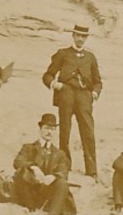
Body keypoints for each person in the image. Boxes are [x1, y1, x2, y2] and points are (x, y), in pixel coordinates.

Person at [42, 24, 102, 179]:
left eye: (84, 36)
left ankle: (91, 169)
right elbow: (47, 75)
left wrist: (94, 93)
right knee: (65, 132)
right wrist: (56, 84)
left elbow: (97, 81)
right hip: (66, 94)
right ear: (73, 36)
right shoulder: (62, 54)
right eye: (78, 35)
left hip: (84, 97)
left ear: (86, 38)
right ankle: (65, 166)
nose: (80, 39)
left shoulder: (91, 57)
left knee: (88, 131)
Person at [12, 113, 76, 215]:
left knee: (62, 182)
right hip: (30, 190)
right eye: (46, 128)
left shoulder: (59, 153)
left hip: (47, 191)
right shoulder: (28, 147)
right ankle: (30, 208)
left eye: (52, 129)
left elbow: (63, 171)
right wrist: (33, 167)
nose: (49, 132)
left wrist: (53, 177)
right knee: (22, 172)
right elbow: (18, 161)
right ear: (40, 129)